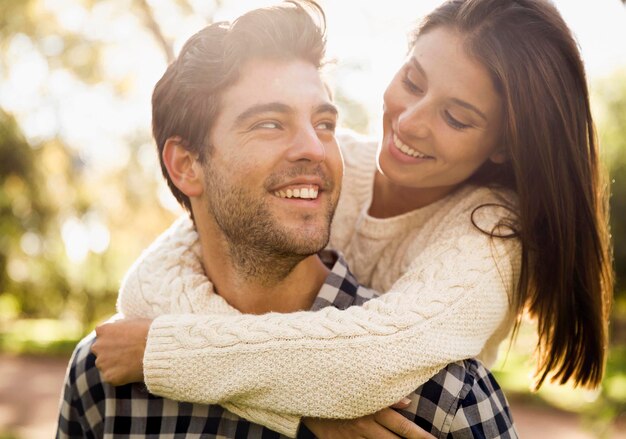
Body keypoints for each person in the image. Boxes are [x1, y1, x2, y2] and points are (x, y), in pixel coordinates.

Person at [93, 0, 612, 435]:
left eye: (455, 117)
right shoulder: (328, 166)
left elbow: (374, 359)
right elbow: (150, 280)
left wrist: (164, 355)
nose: (410, 120)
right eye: (413, 81)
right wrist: (300, 408)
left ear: (502, 144)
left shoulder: (493, 235)